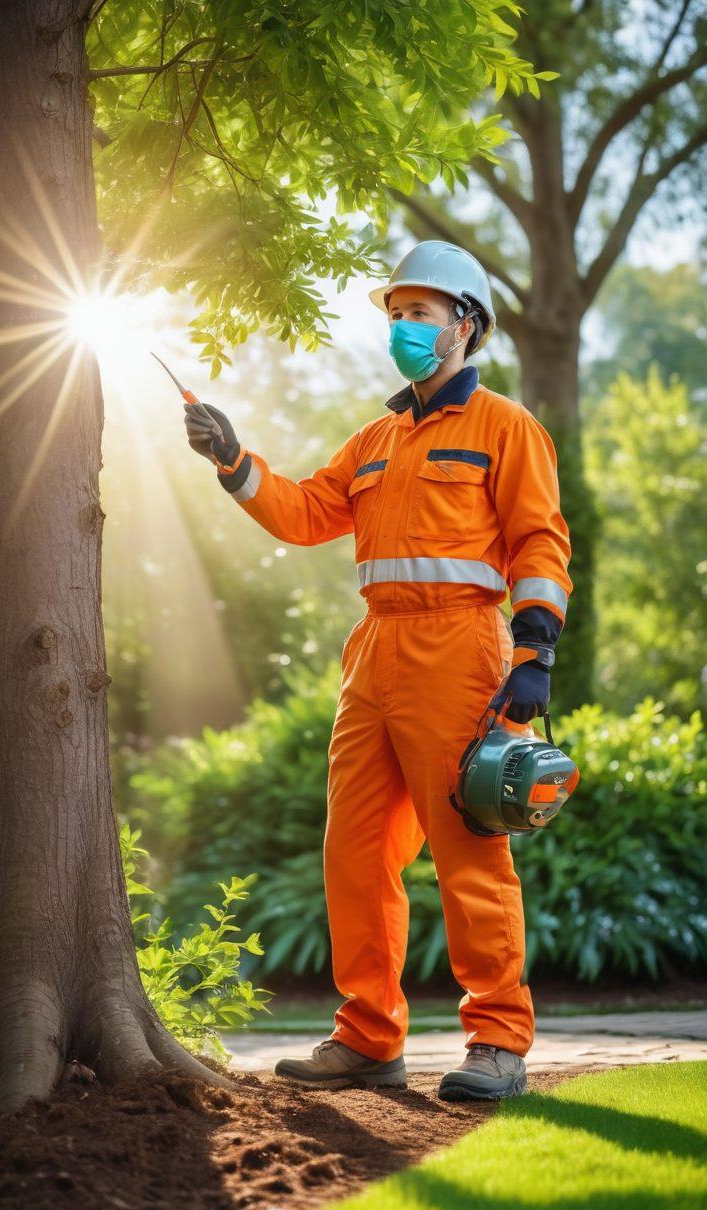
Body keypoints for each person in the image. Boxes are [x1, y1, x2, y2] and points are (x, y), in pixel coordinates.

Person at [183, 240, 572, 1100]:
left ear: (465, 326)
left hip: (460, 652)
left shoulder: (507, 427)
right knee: (354, 854)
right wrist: (234, 461)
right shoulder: (373, 439)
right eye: (395, 315)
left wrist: (534, 652)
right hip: (374, 654)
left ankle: (499, 1042)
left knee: (470, 850)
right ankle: (368, 1038)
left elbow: (541, 542)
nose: (402, 328)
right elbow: (306, 512)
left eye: (420, 314)